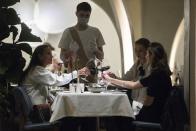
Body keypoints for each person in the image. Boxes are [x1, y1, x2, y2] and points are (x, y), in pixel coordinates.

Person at [103, 42, 172, 123]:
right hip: (155, 112)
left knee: (113, 116)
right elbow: (133, 85)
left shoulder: (156, 75)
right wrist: (111, 79)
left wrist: (134, 110)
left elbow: (148, 103)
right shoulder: (161, 73)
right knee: (118, 113)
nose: (146, 56)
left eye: (147, 54)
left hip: (153, 116)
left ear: (152, 56)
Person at [21, 44, 89, 105]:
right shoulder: (37, 71)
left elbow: (46, 90)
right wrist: (77, 73)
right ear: (40, 56)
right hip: (37, 110)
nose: (52, 56)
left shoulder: (36, 69)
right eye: (48, 53)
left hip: (37, 107)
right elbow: (57, 80)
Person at [58, 2, 105, 82]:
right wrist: (70, 51)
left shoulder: (95, 31)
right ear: (76, 14)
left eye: (87, 16)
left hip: (91, 74)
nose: (84, 18)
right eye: (82, 15)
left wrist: (96, 50)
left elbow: (101, 56)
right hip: (74, 74)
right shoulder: (68, 32)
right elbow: (62, 56)